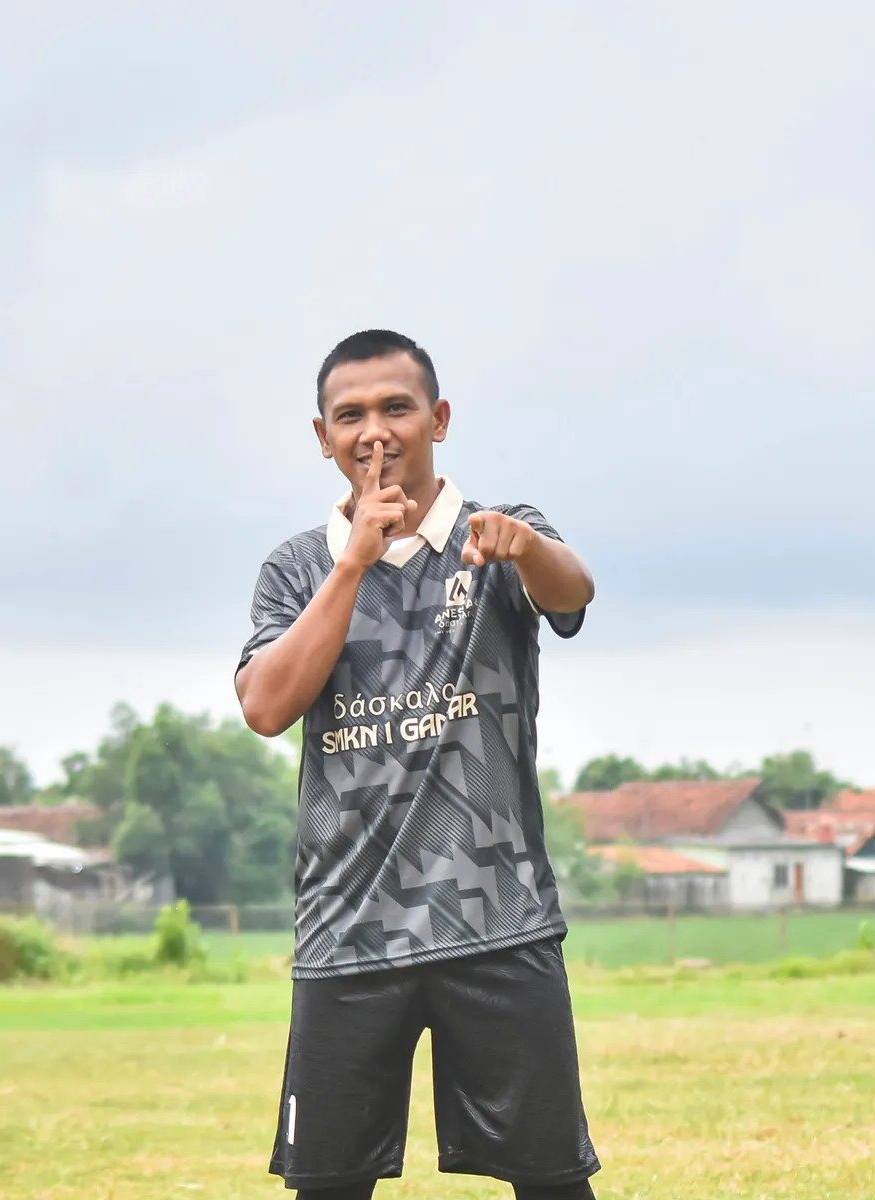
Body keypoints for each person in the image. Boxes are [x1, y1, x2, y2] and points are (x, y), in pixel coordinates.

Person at [236, 330, 603, 1200]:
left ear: (438, 418)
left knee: (552, 1180)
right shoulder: (297, 567)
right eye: (349, 415)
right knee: (328, 1187)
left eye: (396, 408)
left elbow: (573, 592)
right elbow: (265, 705)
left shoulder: (498, 534)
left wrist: (528, 549)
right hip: (348, 929)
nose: (375, 431)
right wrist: (354, 560)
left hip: (497, 919)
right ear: (321, 437)